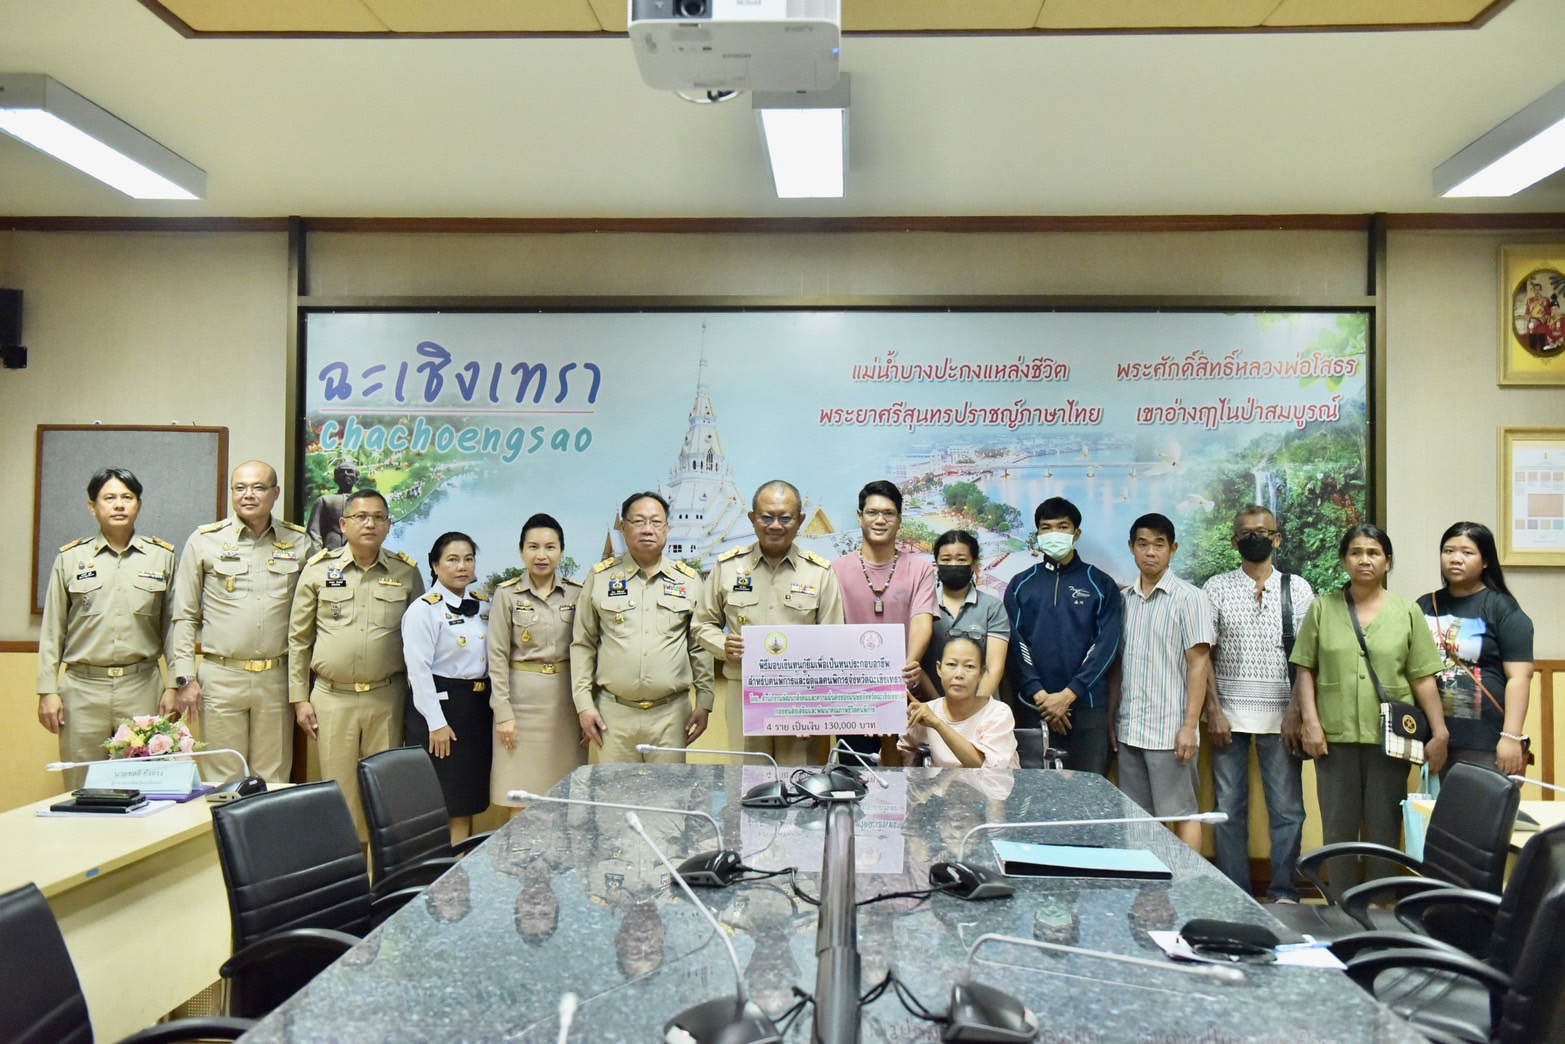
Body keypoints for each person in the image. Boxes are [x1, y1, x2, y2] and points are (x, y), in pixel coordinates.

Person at [1291, 524, 1447, 882]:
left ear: (1387, 562)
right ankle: (1341, 902)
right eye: (1356, 552)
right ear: (1344, 560)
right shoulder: (1322, 609)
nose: (1365, 560)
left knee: (1384, 824)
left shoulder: (1407, 612)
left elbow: (1422, 677)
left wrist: (1439, 732)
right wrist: (1310, 723)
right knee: (1337, 826)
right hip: (1334, 737)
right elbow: (1306, 670)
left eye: (1374, 553)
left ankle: (1379, 901)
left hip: (1391, 741)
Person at [167, 460, 317, 785]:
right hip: (221, 677)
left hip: (277, 678)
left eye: (258, 487)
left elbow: (311, 616)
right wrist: (184, 678)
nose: (248, 495)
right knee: (223, 779)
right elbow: (184, 615)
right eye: (240, 488)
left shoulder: (300, 542)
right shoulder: (205, 540)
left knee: (273, 778)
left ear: (275, 493)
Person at [289, 488, 424, 833]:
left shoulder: (406, 572)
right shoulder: (318, 570)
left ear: (388, 526)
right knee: (340, 797)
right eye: (361, 517)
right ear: (343, 524)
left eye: (378, 517)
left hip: (386, 698)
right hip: (333, 699)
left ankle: (382, 868)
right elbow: (299, 639)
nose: (370, 524)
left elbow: (420, 643)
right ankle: (350, 867)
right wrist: (299, 699)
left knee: (385, 796)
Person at [37, 467, 178, 790]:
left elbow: (174, 628)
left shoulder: (161, 557)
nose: (119, 505)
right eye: (109, 498)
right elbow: (52, 630)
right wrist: (47, 690)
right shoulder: (70, 559)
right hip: (82, 690)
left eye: (127, 497)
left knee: (145, 786)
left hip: (142, 686)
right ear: (92, 506)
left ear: (138, 505)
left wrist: (173, 685)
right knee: (82, 786)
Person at [1202, 505, 1313, 901]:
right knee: (1228, 809)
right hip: (1227, 717)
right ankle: (1236, 893)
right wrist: (1213, 710)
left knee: (1288, 811)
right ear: (1235, 542)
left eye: (1263, 532)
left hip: (1282, 716)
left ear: (1276, 538)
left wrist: (1296, 714)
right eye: (1246, 532)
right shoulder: (1215, 588)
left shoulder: (1298, 589)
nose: (1255, 538)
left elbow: (1307, 659)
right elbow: (1204, 655)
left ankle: (1284, 892)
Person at [693, 479, 844, 765]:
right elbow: (702, 624)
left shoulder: (820, 572)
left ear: (800, 521)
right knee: (749, 778)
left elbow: (834, 642)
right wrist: (723, 645)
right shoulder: (728, 567)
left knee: (802, 777)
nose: (775, 525)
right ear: (752, 519)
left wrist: (817, 706)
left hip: (802, 696)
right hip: (744, 691)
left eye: (785, 518)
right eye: (766, 517)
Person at [570, 491, 714, 764]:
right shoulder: (601, 578)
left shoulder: (688, 580)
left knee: (668, 791)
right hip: (613, 715)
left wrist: (705, 701)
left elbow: (699, 646)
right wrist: (584, 704)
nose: (648, 529)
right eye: (639, 521)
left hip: (672, 716)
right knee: (616, 790)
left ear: (667, 528)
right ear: (623, 527)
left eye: (656, 522)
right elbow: (583, 644)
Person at [1112, 513, 1214, 850]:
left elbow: (1199, 666)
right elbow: (1119, 666)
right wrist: (1114, 717)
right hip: (1130, 729)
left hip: (1170, 732)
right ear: (1131, 547)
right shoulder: (1124, 600)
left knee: (1182, 813)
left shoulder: (1190, 598)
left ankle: (1188, 881)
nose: (1150, 552)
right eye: (1143, 544)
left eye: (1159, 544)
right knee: (1137, 818)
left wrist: (1189, 727)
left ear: (1173, 549)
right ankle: (1148, 883)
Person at [1003, 496, 1123, 773]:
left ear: (1076, 534)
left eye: (1062, 527)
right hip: (1034, 707)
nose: (1054, 533)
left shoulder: (1100, 584)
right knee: (1037, 791)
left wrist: (1069, 695)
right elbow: (1015, 644)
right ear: (1037, 534)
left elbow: (1105, 645)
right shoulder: (1020, 585)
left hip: (1087, 707)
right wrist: (1041, 696)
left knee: (1090, 790)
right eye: (1046, 528)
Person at [1416, 521, 1534, 778]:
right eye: (1448, 551)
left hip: (1485, 738)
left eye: (1467, 553)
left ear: (1485, 561)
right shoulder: (1425, 605)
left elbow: (1519, 677)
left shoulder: (1500, 607)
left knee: (1482, 803)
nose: (1455, 559)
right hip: (1433, 736)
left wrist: (1511, 737)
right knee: (1439, 805)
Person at [830, 480, 937, 761]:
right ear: (860, 516)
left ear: (899, 519)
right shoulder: (835, 571)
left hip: (905, 690)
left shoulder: (920, 570)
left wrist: (908, 667)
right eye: (872, 512)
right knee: (855, 773)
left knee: (909, 774)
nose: (880, 520)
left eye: (889, 513)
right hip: (852, 695)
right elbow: (829, 630)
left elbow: (922, 621)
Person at [489, 513, 585, 812]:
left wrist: (587, 708)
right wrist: (503, 713)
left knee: (566, 798)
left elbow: (588, 652)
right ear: (521, 551)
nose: (541, 555)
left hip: (566, 706)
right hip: (521, 707)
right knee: (520, 797)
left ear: (561, 552)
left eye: (550, 547)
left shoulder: (578, 593)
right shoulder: (506, 595)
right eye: (533, 547)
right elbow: (497, 656)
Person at [403, 531, 492, 844]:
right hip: (442, 712)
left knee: (466, 799)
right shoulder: (423, 610)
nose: (462, 566)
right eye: (452, 560)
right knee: (444, 801)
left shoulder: (483, 605)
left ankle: (461, 863)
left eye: (468, 559)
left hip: (476, 712)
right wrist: (436, 723)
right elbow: (418, 672)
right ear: (435, 565)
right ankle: (443, 869)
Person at [899, 634, 1019, 768]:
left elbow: (988, 771)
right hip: (944, 782)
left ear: (981, 673)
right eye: (951, 664)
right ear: (939, 669)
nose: (959, 674)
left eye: (969, 666)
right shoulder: (926, 713)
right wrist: (887, 733)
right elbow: (898, 766)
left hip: (994, 782)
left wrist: (937, 723)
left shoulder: (998, 713)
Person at [918, 529, 1009, 702]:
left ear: (973, 564)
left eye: (961, 559)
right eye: (946, 559)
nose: (953, 565)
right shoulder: (922, 606)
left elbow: (993, 668)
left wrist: (972, 709)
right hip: (932, 708)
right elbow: (917, 665)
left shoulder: (993, 608)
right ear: (936, 563)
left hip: (983, 708)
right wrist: (940, 710)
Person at [305, 460, 359, 551]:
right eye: (341, 472)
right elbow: (313, 532)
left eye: (349, 471)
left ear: (357, 478)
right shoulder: (324, 501)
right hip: (330, 553)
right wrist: (316, 556)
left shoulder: (365, 502)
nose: (345, 474)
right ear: (335, 479)